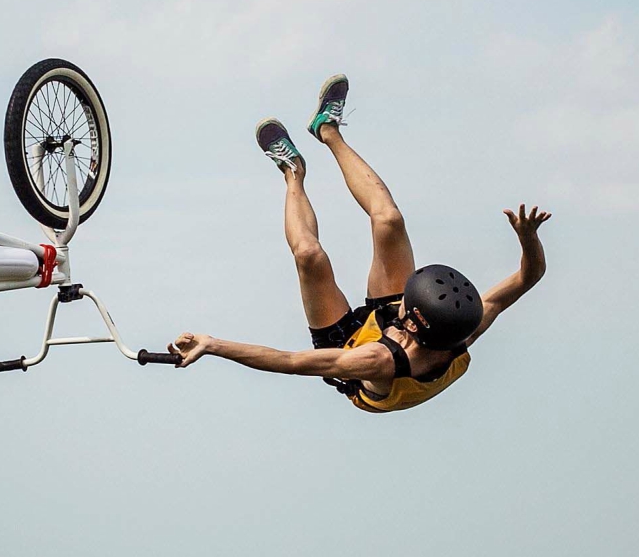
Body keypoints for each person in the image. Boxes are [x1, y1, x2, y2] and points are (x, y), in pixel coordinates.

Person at [169, 75, 550, 412]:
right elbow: (529, 277)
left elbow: (289, 361)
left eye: (405, 306)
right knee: (389, 221)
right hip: (404, 336)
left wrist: (212, 344)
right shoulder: (465, 325)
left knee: (309, 256)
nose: (401, 300)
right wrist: (528, 239)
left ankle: (292, 171)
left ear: (411, 323)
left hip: (351, 347)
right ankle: (328, 130)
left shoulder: (375, 361)